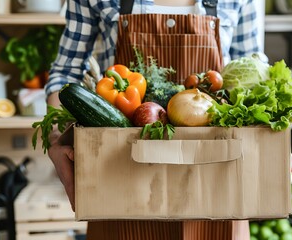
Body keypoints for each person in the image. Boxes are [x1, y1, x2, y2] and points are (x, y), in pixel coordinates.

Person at [45, 0, 263, 239]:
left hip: (217, 182)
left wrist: (272, 142)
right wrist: (56, 140)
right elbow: (66, 73)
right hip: (120, 177)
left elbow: (255, 78)